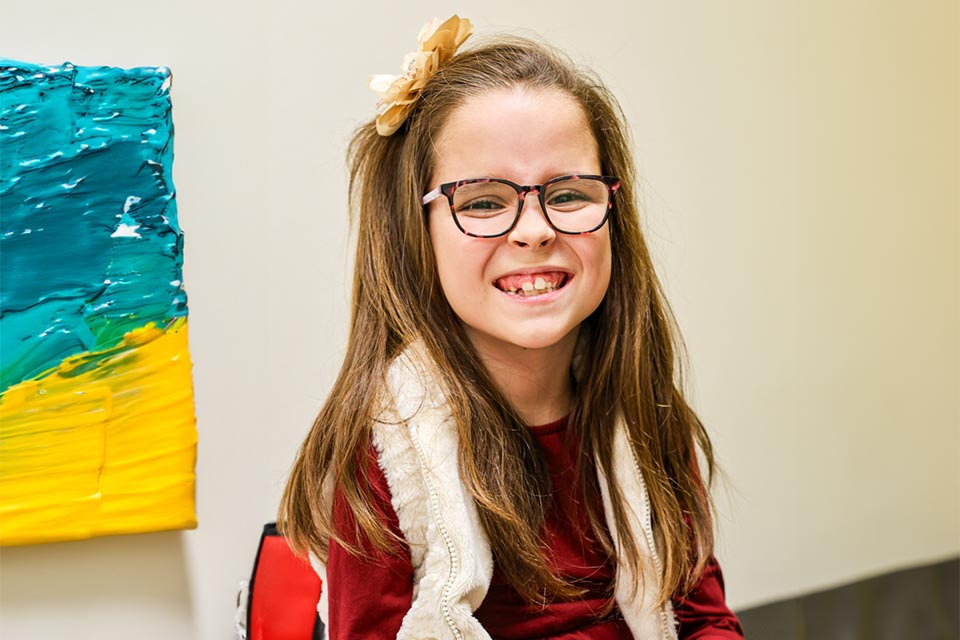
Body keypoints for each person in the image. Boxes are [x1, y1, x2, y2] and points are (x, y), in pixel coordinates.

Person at [280, 15, 745, 640]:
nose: (534, 230)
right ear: (416, 235)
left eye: (570, 193)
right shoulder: (380, 449)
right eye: (482, 201)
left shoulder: (646, 415)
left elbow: (701, 620)